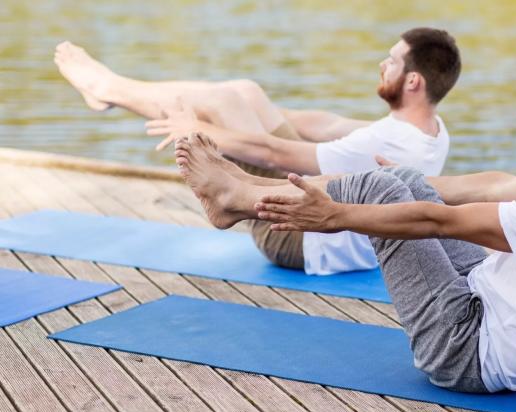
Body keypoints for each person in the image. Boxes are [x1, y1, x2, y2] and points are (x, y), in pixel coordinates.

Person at [177, 68, 516, 393]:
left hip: (467, 350)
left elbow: (438, 221)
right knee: (398, 181)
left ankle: (238, 198)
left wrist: (336, 215)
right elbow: (499, 183)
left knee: (388, 192)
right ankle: (240, 191)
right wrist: (404, 179)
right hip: (486, 302)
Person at [54, 27, 461, 275]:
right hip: (327, 233)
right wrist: (255, 109)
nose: (381, 65)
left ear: (412, 83)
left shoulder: (385, 142)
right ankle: (109, 91)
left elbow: (274, 155)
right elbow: (326, 125)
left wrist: (199, 127)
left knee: (226, 103)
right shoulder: (430, 130)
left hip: (297, 238)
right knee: (245, 93)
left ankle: (108, 88)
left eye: (391, 62)